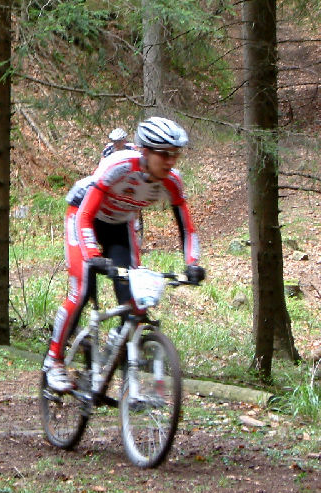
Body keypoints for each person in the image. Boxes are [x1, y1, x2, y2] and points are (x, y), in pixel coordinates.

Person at [44, 117, 206, 392]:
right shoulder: (118, 166)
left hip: (121, 225)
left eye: (175, 155)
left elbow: (187, 228)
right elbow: (85, 214)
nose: (170, 162)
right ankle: (54, 361)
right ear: (145, 152)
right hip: (85, 217)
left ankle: (114, 356)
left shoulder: (172, 182)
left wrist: (192, 263)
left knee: (136, 301)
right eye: (164, 154)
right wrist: (93, 254)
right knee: (81, 290)